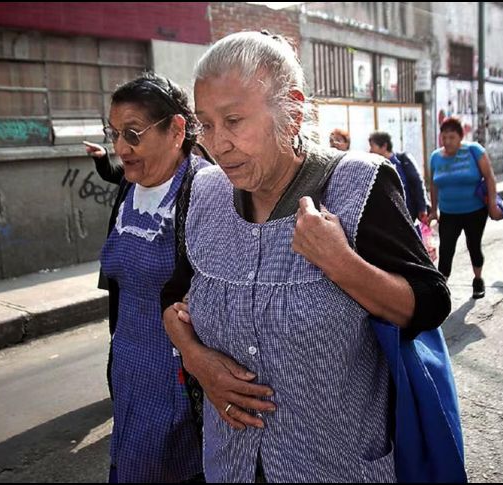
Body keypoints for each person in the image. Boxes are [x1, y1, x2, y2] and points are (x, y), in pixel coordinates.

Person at [160, 31, 452, 483]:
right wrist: (196, 359)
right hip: (231, 465)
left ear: (292, 110)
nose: (217, 144)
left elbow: (430, 303)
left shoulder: (360, 185)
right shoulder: (204, 192)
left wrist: (341, 263)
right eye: (206, 125)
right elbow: (174, 295)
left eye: (234, 120)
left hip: (337, 466)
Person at [83, 73, 210, 482]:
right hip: (128, 364)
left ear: (176, 131)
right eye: (115, 133)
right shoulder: (129, 189)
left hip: (179, 375)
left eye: (133, 134)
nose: (120, 149)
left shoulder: (206, 192)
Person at [428, 117, 503, 299]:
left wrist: (493, 204)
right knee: (446, 249)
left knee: (474, 246)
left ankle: (478, 279)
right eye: (444, 137)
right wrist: (434, 210)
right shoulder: (436, 157)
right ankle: (441, 288)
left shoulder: (474, 151)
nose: (447, 141)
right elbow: (433, 184)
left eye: (452, 137)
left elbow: (489, 177)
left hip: (475, 211)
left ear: (461, 137)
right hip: (448, 212)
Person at [368, 131, 430, 224]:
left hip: (409, 213)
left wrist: (422, 207)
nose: (370, 150)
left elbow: (417, 182)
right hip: (389, 216)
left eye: (372, 146)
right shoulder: (376, 165)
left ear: (384, 146)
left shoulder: (402, 160)